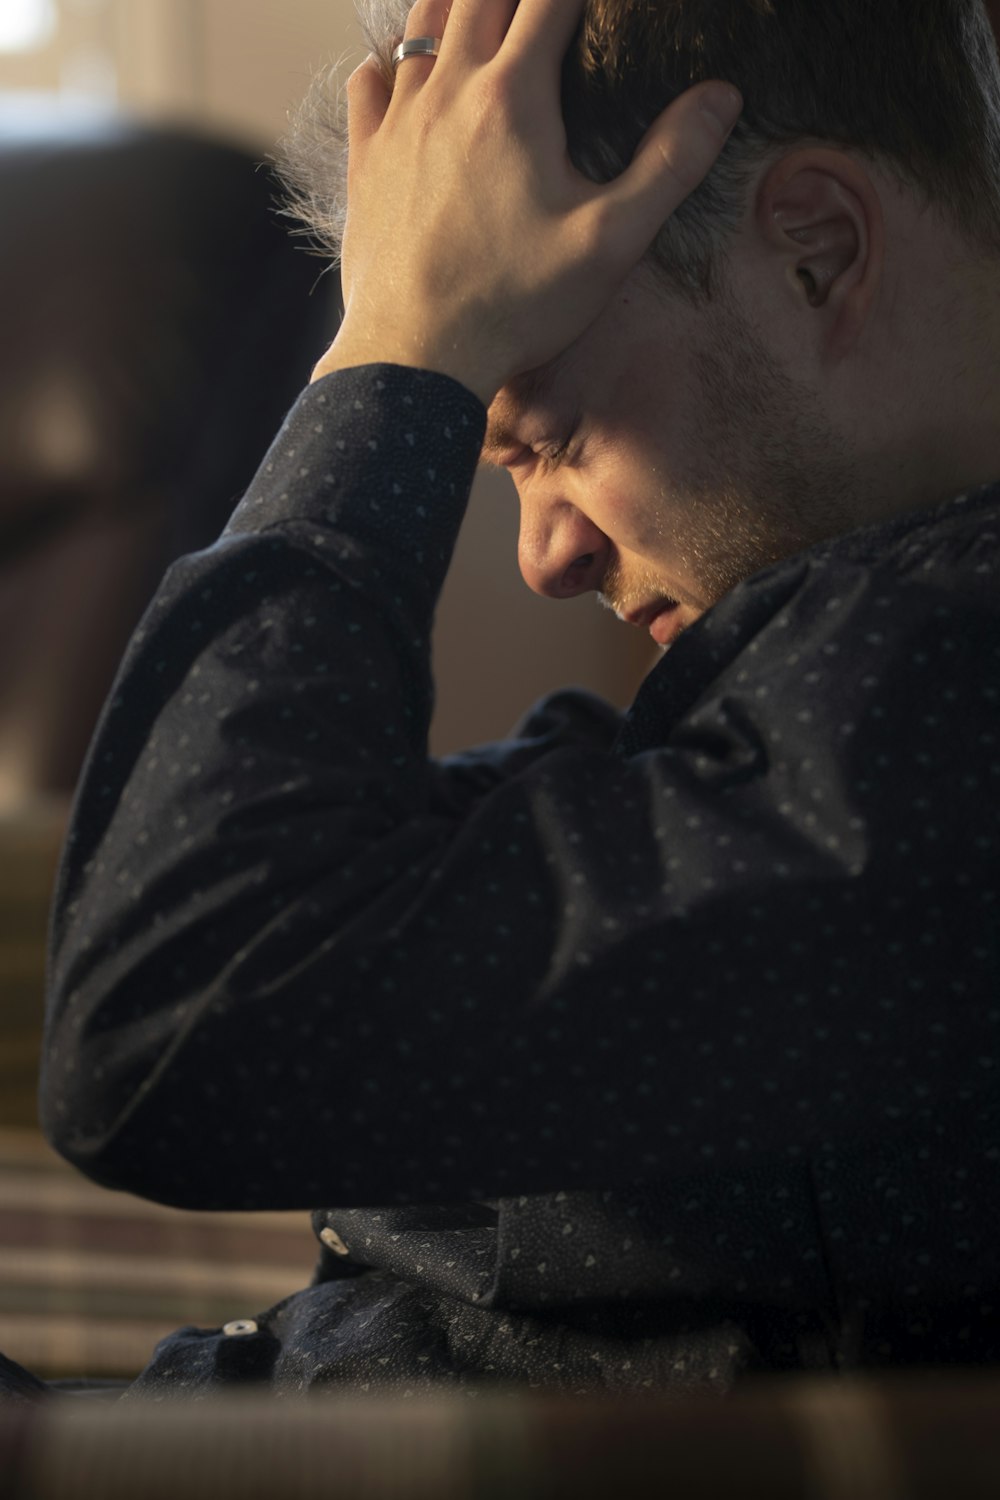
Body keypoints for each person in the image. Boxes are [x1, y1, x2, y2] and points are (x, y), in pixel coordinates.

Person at [17, 0, 1000, 1400]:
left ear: (817, 253)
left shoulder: (939, 733)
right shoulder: (849, 685)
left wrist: (402, 355)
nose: (547, 558)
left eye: (549, 437)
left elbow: (164, 1019)